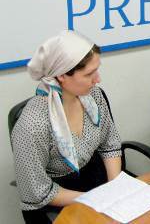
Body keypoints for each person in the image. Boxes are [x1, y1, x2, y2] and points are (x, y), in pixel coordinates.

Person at [11, 31, 122, 224]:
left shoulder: (94, 97)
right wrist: (94, 199)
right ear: (62, 75)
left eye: (97, 70)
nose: (98, 79)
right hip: (56, 199)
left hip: (96, 183)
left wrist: (114, 189)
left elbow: (110, 145)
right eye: (89, 74)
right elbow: (38, 192)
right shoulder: (32, 124)